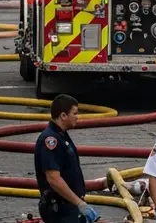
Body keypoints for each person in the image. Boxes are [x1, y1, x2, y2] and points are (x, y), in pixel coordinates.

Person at [35, 94, 99, 223]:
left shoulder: (61, 136)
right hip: (60, 210)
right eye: (74, 113)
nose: (77, 117)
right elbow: (53, 178)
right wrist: (79, 203)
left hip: (69, 206)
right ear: (63, 116)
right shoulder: (51, 140)